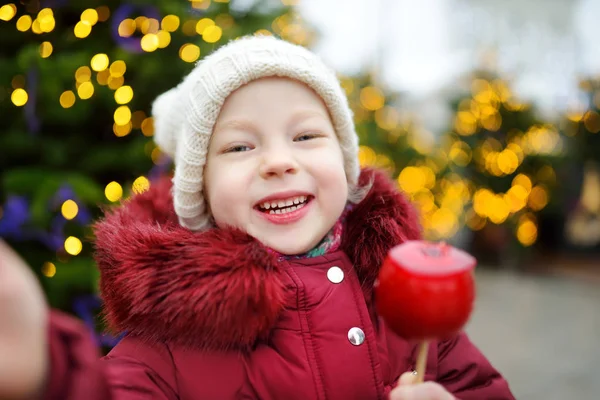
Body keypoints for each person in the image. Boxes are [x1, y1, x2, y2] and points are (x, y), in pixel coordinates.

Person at [0, 35, 515, 400]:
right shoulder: (172, 334)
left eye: (306, 136)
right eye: (241, 145)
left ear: (344, 159)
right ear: (199, 191)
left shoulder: (403, 301)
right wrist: (50, 372)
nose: (278, 160)